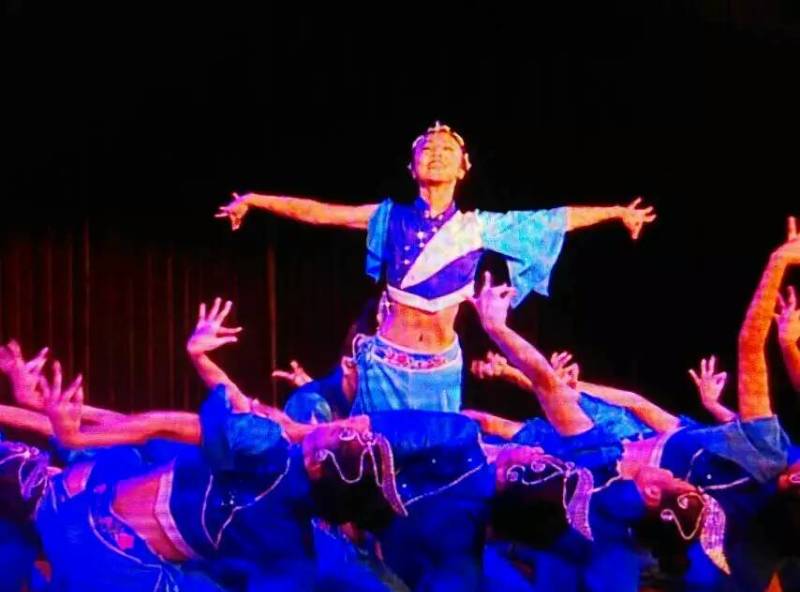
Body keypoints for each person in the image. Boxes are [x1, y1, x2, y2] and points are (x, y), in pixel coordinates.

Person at [216, 122, 656, 413]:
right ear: (411, 167)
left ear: (464, 169)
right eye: (426, 148)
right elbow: (318, 212)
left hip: (441, 368)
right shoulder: (387, 217)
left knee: (434, 474)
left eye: (448, 149)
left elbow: (554, 219)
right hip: (384, 364)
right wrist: (255, 200)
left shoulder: (477, 227)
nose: (436, 153)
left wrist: (617, 212)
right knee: (377, 469)